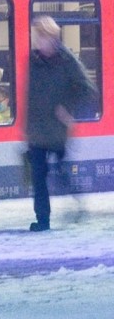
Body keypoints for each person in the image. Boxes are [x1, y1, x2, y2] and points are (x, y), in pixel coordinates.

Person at [26, 15, 94, 231]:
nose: (36, 41)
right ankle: (43, 220)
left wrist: (66, 107)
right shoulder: (33, 60)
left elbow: (88, 89)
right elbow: (29, 94)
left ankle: (78, 204)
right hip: (37, 130)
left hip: (56, 129)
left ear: (50, 37)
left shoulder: (67, 61)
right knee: (38, 177)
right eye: (35, 37)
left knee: (62, 173)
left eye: (40, 37)